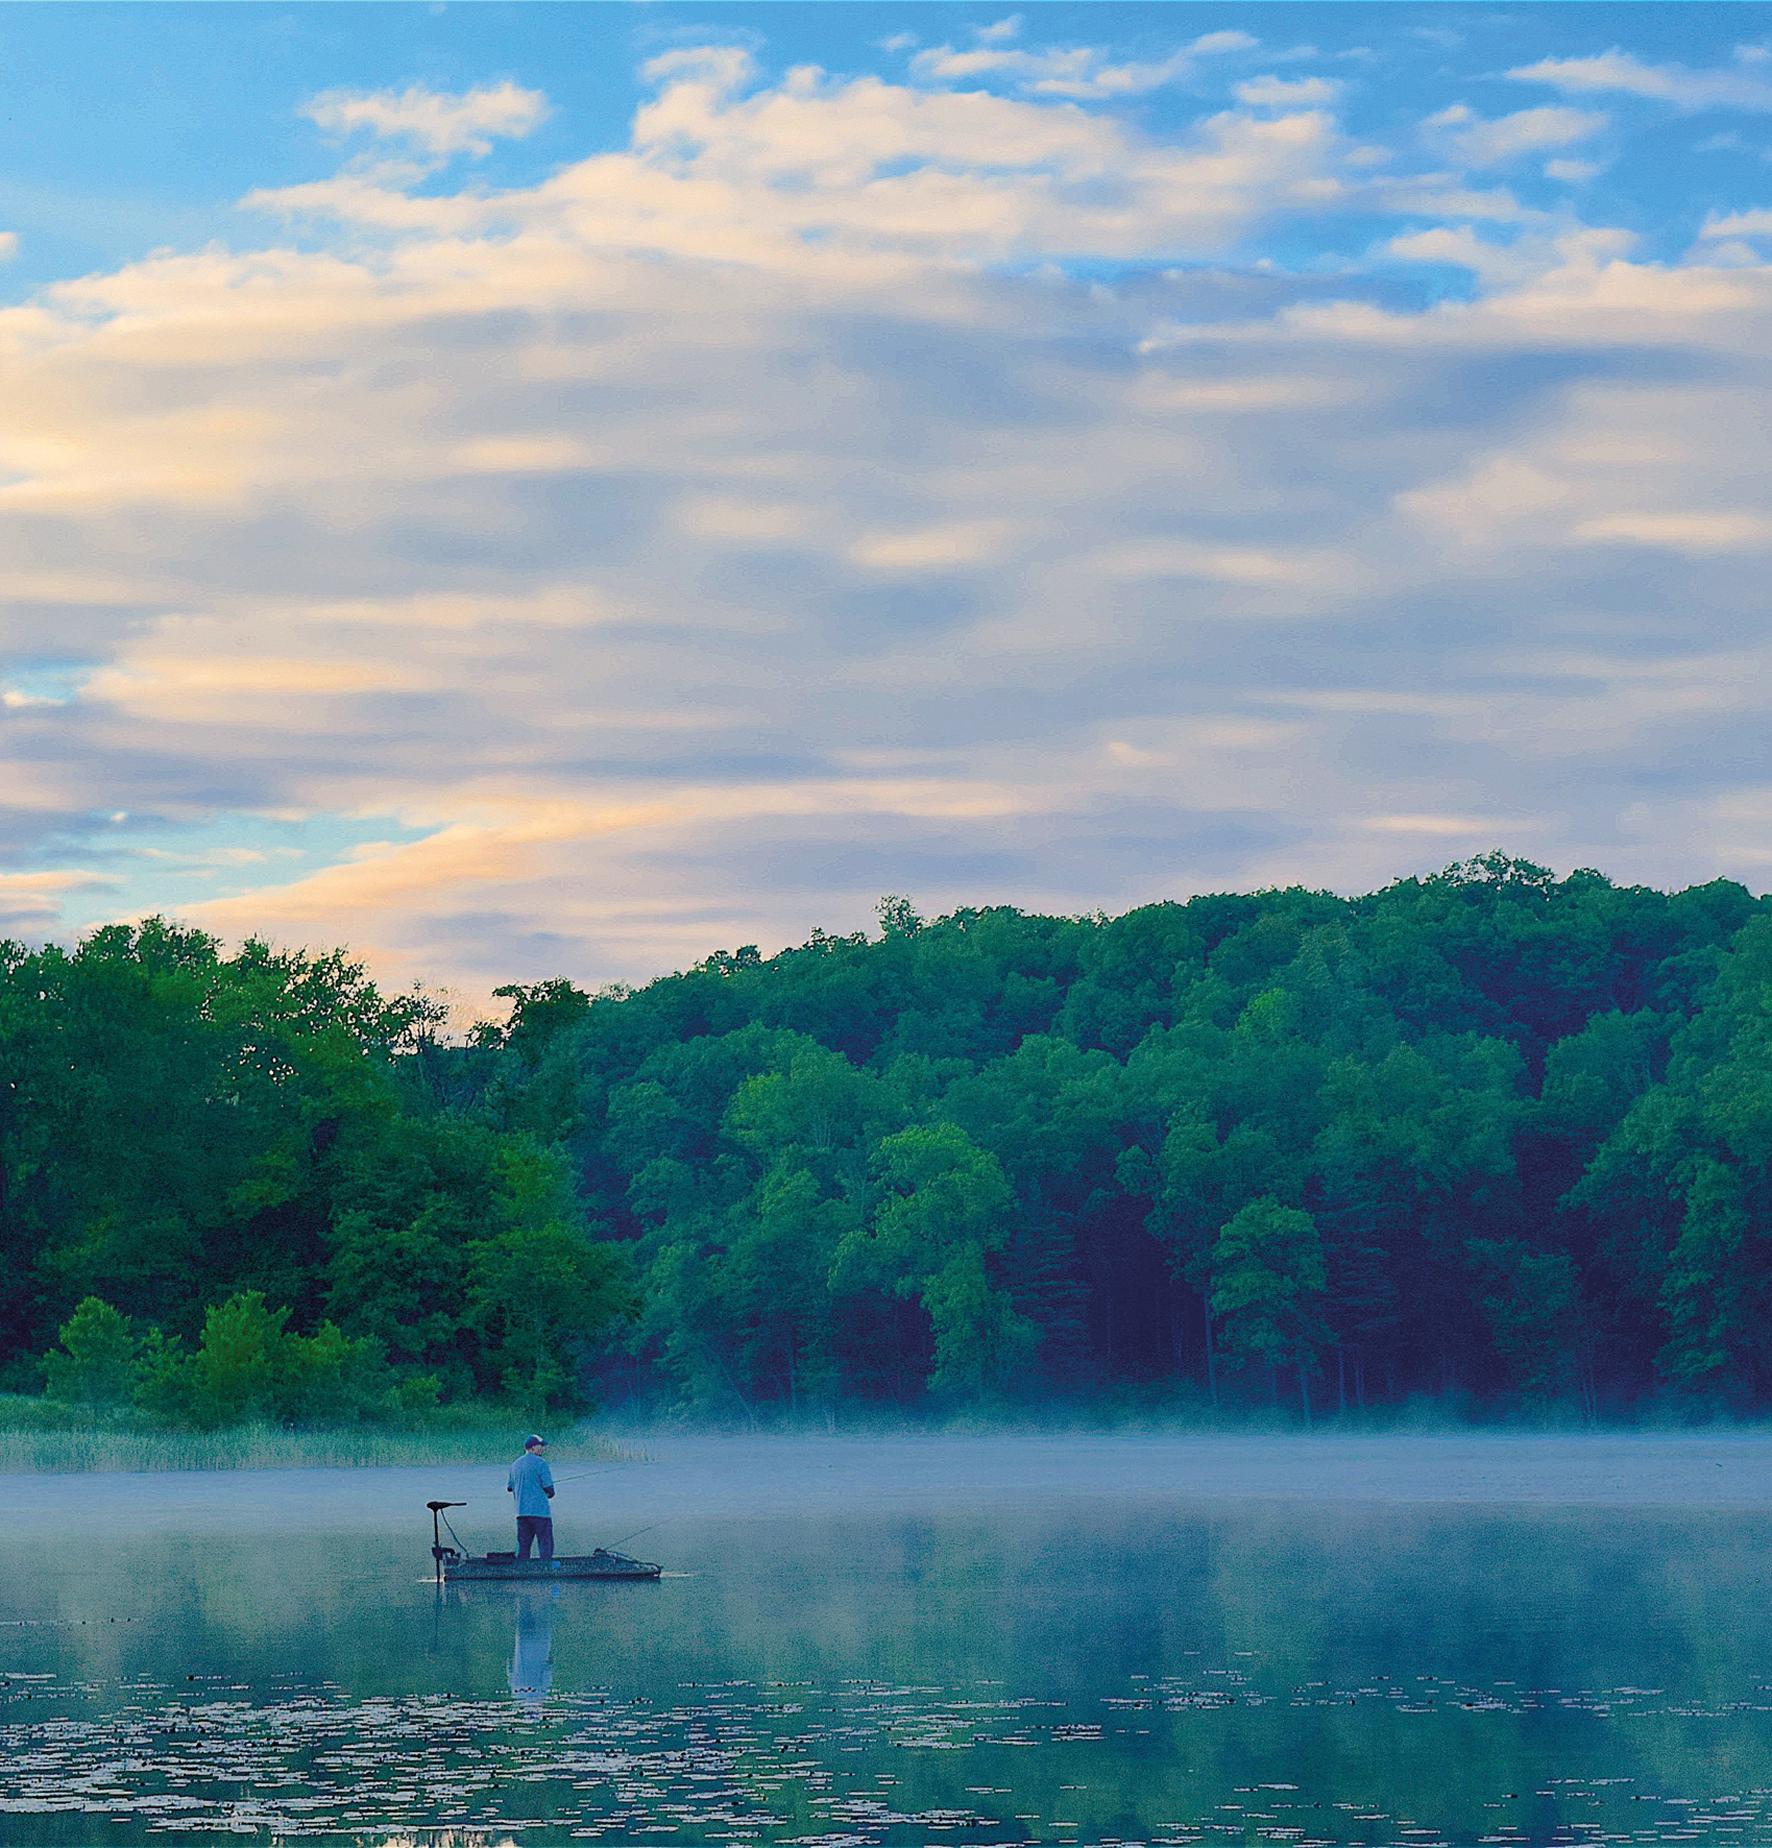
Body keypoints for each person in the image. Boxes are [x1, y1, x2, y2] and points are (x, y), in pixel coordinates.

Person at [506, 1434, 556, 1562]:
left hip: (521, 1512)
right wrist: (548, 1493)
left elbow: (510, 1487)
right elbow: (550, 1489)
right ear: (533, 1448)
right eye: (541, 1446)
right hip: (540, 1513)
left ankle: (523, 1573)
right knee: (545, 1545)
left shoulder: (515, 1464)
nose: (543, 1449)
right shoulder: (541, 1463)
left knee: (523, 1547)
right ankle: (546, 1570)